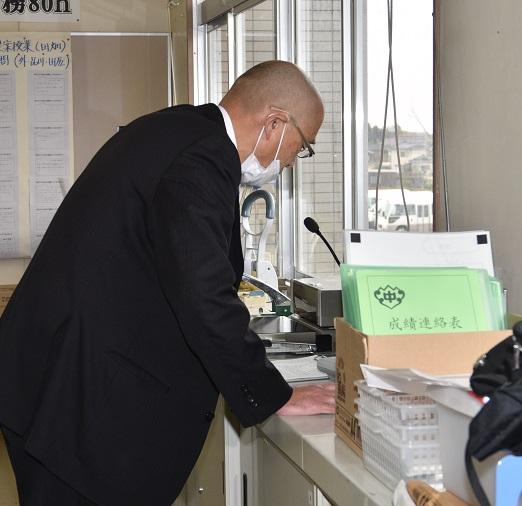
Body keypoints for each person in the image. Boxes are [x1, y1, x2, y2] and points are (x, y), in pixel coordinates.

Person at [0, 60, 335, 505]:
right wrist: (274, 395)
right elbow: (203, 292)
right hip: (76, 398)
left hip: (57, 375)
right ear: (275, 122)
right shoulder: (203, 158)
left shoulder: (176, 130)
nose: (292, 161)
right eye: (303, 145)